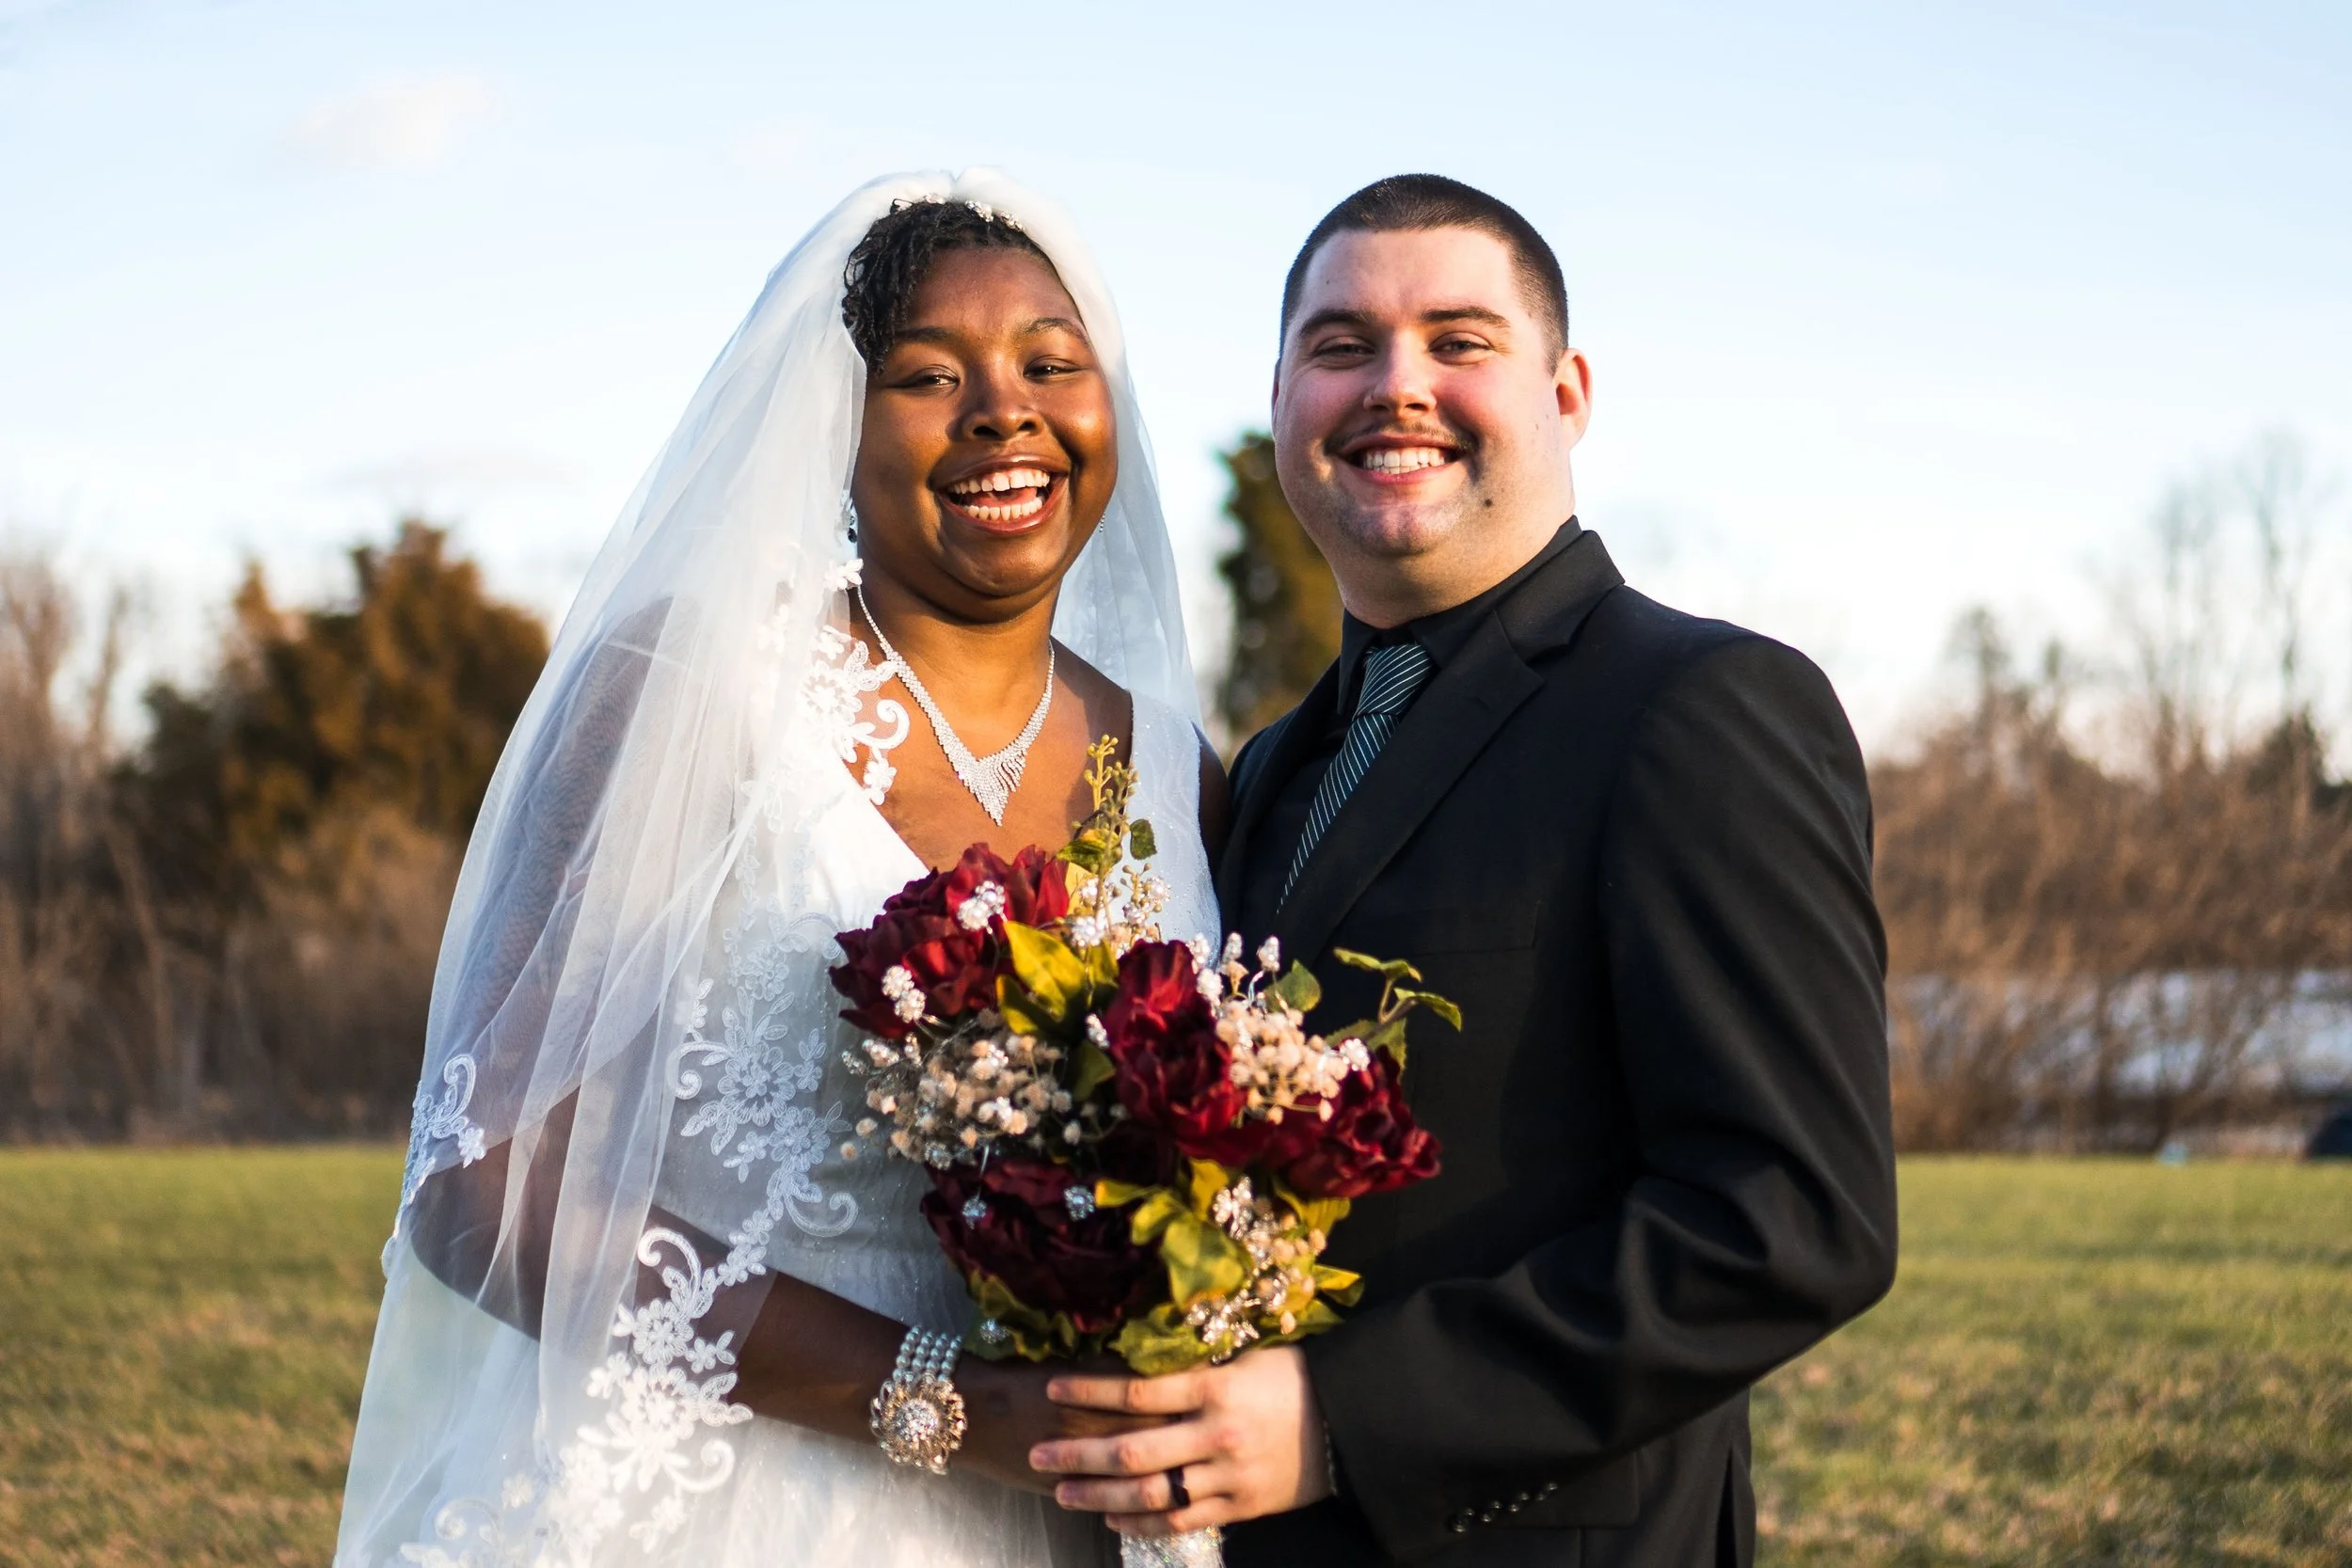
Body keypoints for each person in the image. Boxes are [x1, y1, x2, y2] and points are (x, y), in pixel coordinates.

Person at [336, 172, 1222, 1568]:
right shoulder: (690, 689)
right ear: (832, 429)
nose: (1006, 407)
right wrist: (944, 1399)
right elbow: (483, 1182)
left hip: (1068, 1520)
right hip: (723, 1505)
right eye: (931, 374)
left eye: (1054, 363)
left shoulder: (1178, 771)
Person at [1031, 174, 1899, 1567]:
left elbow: (1793, 1219)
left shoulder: (1699, 706)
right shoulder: (1263, 773)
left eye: (1459, 339)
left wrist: (1338, 1418)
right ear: (1279, 403)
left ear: (1568, 391)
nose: (1397, 386)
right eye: (1341, 347)